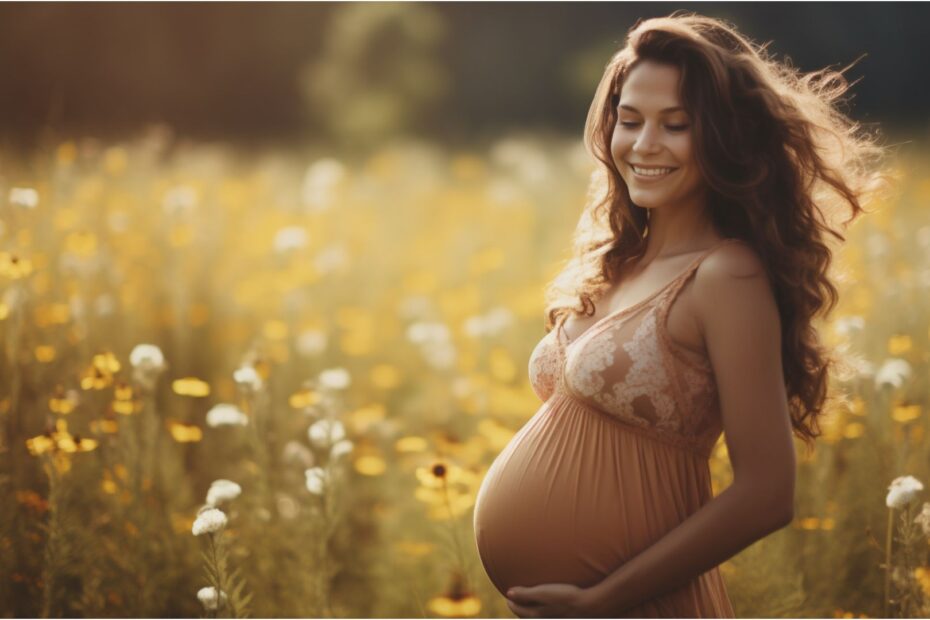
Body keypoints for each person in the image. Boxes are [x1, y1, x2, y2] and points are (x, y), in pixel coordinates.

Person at [472, 11, 889, 618]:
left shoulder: (727, 275)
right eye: (630, 119)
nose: (644, 145)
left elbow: (768, 494)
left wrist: (602, 600)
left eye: (677, 125)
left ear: (723, 137)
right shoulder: (620, 260)